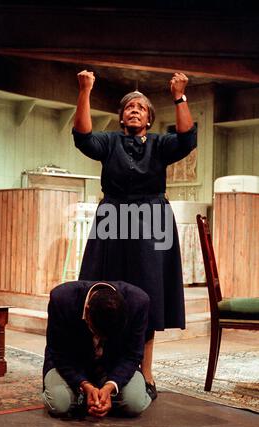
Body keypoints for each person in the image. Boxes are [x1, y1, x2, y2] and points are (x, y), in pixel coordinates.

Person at [72, 70, 197, 400]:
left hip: (151, 218)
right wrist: (85, 90)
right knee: (104, 289)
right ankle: (102, 364)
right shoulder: (110, 141)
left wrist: (179, 96)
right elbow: (83, 136)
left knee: (148, 295)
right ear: (121, 116)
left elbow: (187, 139)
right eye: (129, 106)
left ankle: (146, 369)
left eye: (141, 106)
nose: (135, 109)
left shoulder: (159, 143)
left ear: (150, 118)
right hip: (112, 216)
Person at [42, 280, 152, 418]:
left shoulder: (138, 302)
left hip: (113, 365)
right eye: (98, 332)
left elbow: (132, 355)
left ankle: (91, 399)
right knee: (60, 404)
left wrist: (110, 386)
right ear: (87, 311)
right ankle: (89, 396)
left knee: (135, 404)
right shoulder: (62, 299)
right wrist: (84, 384)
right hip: (71, 364)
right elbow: (58, 353)